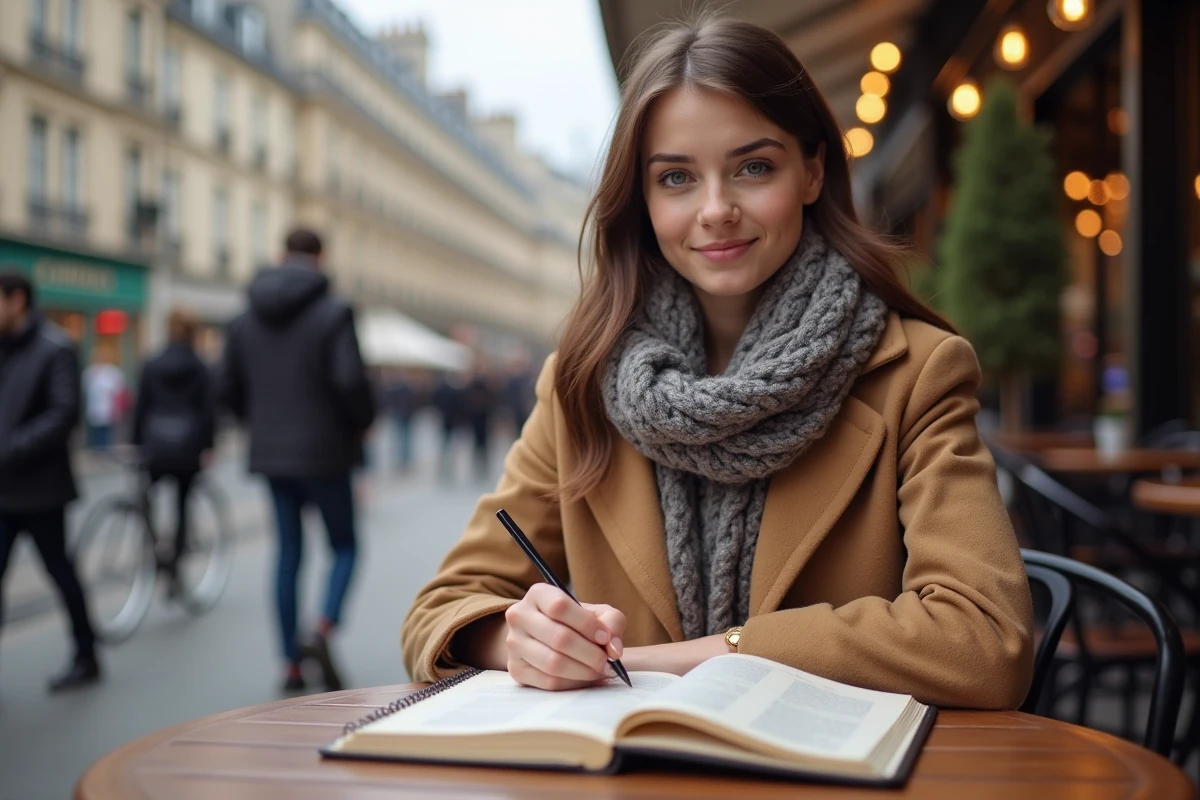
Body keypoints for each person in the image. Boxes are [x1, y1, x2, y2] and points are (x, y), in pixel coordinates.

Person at [401, 16, 1034, 709]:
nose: (715, 210)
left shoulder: (916, 372)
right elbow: (442, 609)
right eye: (676, 178)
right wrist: (516, 640)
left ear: (813, 170)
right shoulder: (583, 382)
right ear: (641, 202)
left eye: (753, 167)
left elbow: (984, 637)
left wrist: (713, 655)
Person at [222, 228, 375, 693]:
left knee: (287, 554)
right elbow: (350, 381)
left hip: (272, 454)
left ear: (280, 254)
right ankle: (321, 627)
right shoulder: (334, 312)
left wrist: (260, 424)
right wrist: (361, 423)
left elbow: (226, 389)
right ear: (320, 257)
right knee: (344, 545)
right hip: (327, 452)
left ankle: (289, 662)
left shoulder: (244, 319)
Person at [0, 272, 101, 691]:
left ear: (17, 300)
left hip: (40, 488)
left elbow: (63, 415)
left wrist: (10, 447)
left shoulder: (56, 347)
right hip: (3, 488)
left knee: (59, 571)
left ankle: (86, 654)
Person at [131, 307, 216, 589]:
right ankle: (176, 560)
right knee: (182, 503)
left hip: (155, 444)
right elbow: (207, 412)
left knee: (145, 496)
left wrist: (135, 443)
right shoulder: (200, 367)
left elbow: (141, 407)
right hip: (188, 446)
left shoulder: (151, 364)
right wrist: (208, 446)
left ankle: (157, 549)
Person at [82, 345, 126, 450]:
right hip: (94, 409)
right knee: (97, 433)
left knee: (107, 434)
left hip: (109, 408)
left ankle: (105, 452)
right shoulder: (89, 372)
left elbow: (119, 390)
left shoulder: (112, 372)